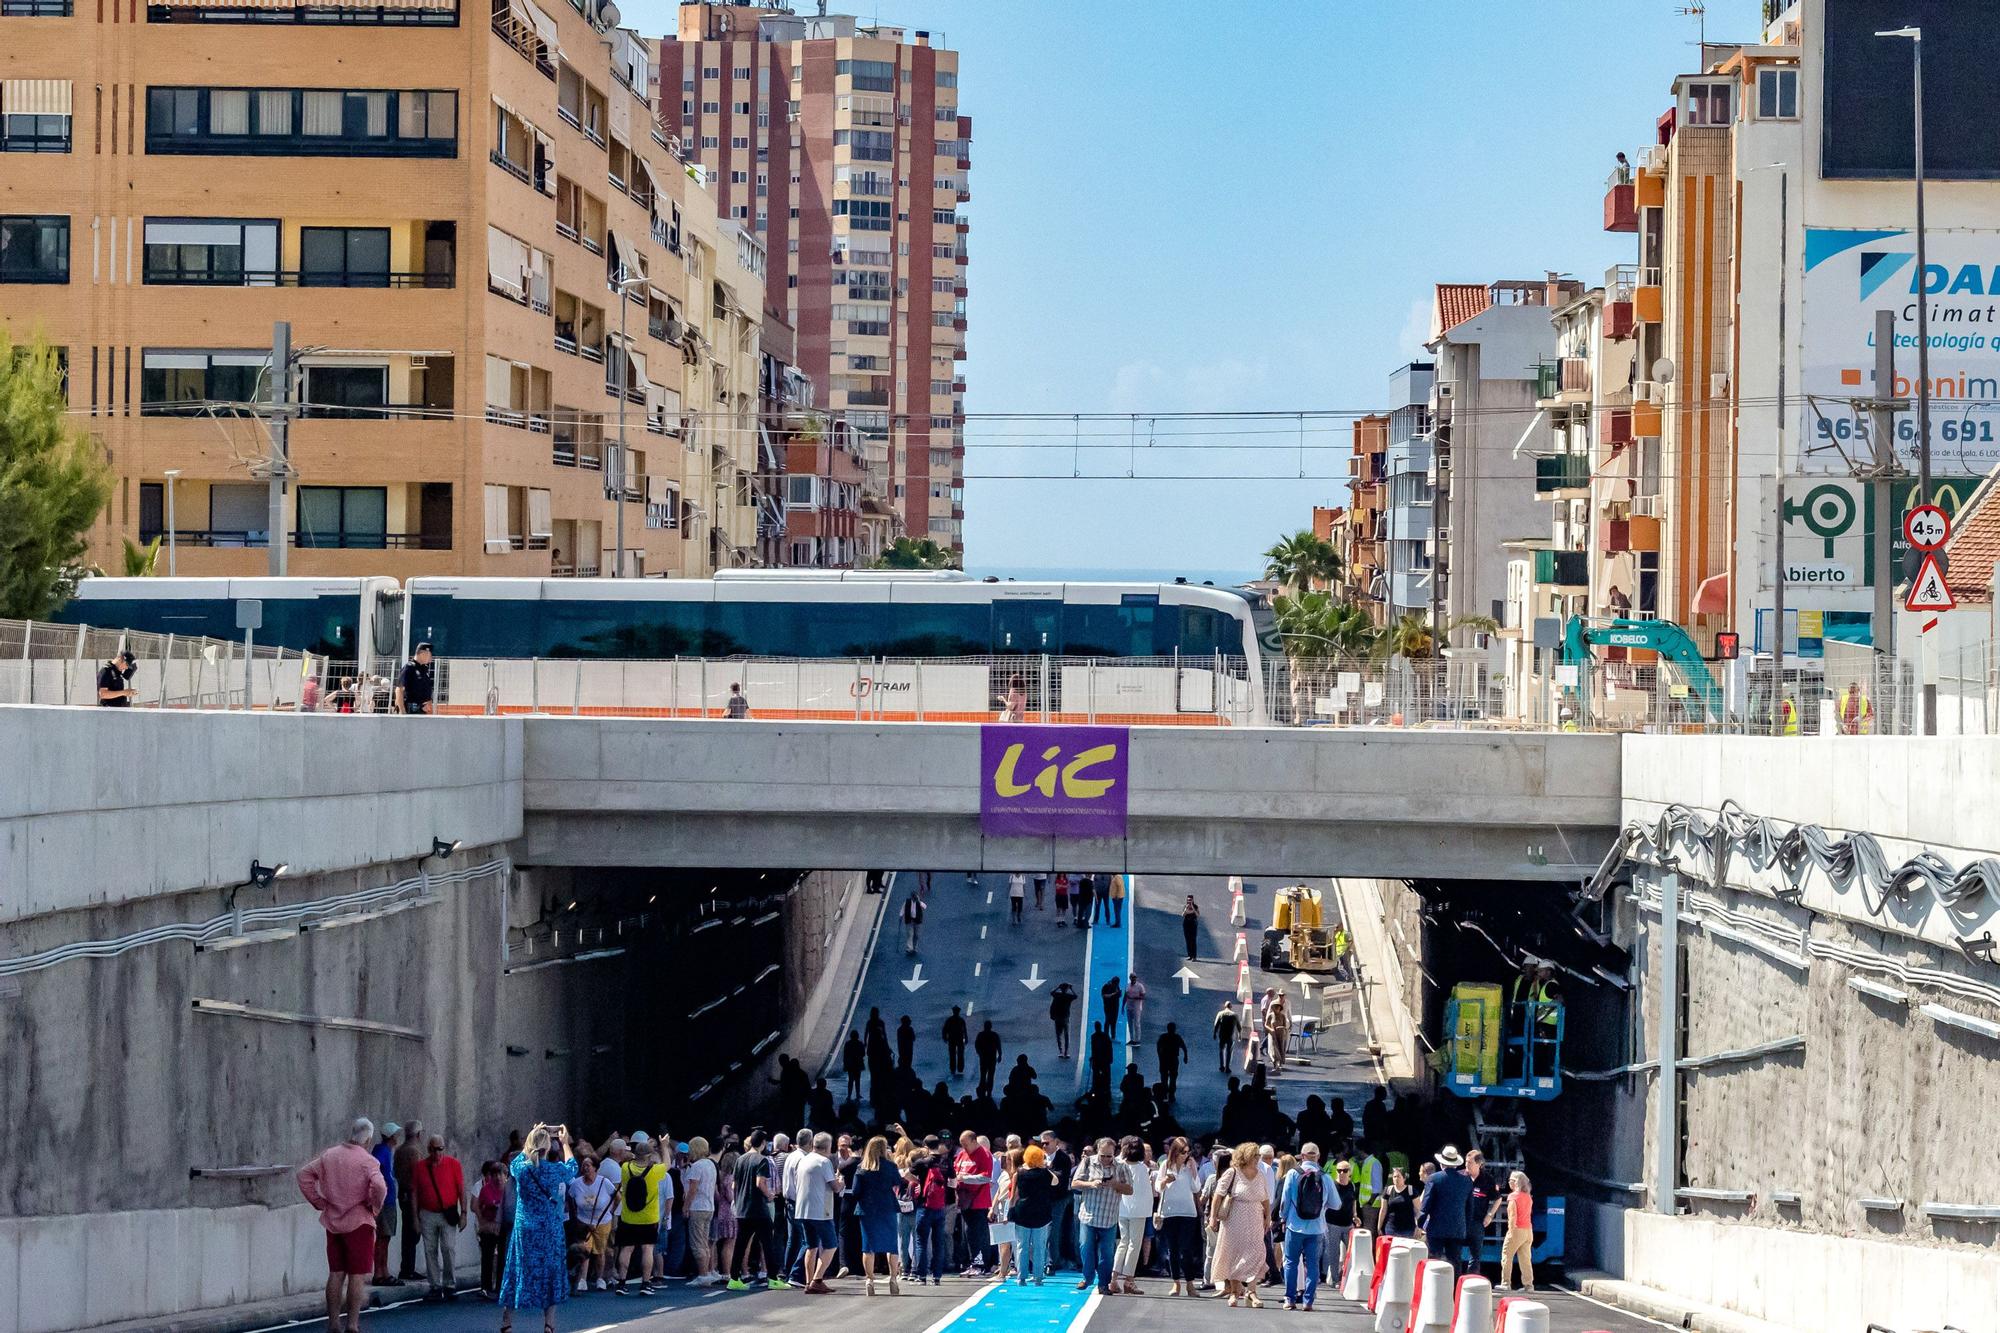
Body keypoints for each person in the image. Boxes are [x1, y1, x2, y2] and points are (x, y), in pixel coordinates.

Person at [299, 1117, 389, 1333]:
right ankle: (352, 1324)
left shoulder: (330, 1155)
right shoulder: (368, 1161)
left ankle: (333, 1323)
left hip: (333, 1222)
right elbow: (379, 1186)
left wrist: (319, 1201)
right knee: (356, 1275)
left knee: (336, 1272)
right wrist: (373, 1205)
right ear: (367, 1139)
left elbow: (303, 1175)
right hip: (359, 1222)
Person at [499, 1124, 578, 1333]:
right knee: (550, 1273)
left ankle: (507, 1322)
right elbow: (572, 1167)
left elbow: (514, 1160)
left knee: (518, 1271)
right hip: (550, 1229)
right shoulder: (553, 1170)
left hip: (524, 1228)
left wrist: (533, 1134)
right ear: (547, 1149)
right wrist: (564, 1142)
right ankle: (549, 1324)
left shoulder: (521, 1169)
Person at [1208, 1141, 1271, 1308]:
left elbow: (1265, 1199)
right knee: (1235, 1254)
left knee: (1256, 1254)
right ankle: (1235, 1292)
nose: (1258, 1158)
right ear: (1246, 1156)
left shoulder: (1260, 1175)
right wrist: (1213, 1217)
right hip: (1235, 1218)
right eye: (1255, 1155)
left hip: (1255, 1218)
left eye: (1258, 1155)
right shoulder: (1232, 1172)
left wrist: (1268, 1217)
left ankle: (1251, 1292)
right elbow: (1218, 1195)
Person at [1070, 1136, 1131, 1296]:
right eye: (1102, 1155)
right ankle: (1087, 1277)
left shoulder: (1121, 1166)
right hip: (1089, 1215)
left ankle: (1103, 1284)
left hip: (1109, 1217)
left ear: (1114, 1154)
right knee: (1085, 1248)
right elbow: (1074, 1183)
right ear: (1098, 1152)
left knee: (1107, 1254)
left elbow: (1130, 1190)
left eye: (1109, 1156)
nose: (1105, 1159)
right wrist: (1091, 1184)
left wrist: (1115, 1184)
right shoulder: (1089, 1162)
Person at [413, 1133, 467, 1301]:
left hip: (447, 1212)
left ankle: (449, 1284)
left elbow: (461, 1190)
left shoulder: (453, 1164)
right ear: (429, 1149)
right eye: (434, 1149)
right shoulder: (420, 1167)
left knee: (448, 1248)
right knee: (430, 1250)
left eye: (440, 1149)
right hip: (427, 1213)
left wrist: (464, 1213)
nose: (437, 1153)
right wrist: (415, 1218)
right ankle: (435, 1285)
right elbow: (414, 1193)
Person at [850, 1135, 905, 1295]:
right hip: (887, 1207)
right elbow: (897, 1182)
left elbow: (855, 1191)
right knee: (892, 1245)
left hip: (867, 1210)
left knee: (868, 1247)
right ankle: (893, 1278)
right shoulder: (890, 1166)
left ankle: (869, 1280)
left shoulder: (862, 1168)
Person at [726, 1130, 779, 1290]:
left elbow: (733, 1185)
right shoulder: (761, 1160)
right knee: (768, 1244)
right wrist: (769, 1195)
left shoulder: (740, 1160)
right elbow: (759, 1183)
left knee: (740, 1245)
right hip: (758, 1209)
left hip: (742, 1209)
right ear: (763, 1143)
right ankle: (773, 1278)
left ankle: (734, 1278)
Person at [1277, 1143, 1327, 1311]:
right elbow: (1336, 1203)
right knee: (1312, 1264)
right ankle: (1308, 1301)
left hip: (1294, 1225)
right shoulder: (1324, 1176)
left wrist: (1282, 1218)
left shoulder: (1293, 1173)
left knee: (1290, 1262)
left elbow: (1284, 1201)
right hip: (1317, 1228)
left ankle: (1290, 1299)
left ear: (1302, 1156)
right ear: (1318, 1157)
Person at [612, 1144, 668, 1294]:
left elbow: (626, 1158)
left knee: (626, 1249)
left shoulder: (625, 1168)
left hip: (628, 1216)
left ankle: (622, 1283)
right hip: (649, 1217)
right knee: (647, 1249)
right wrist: (664, 1146)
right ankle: (645, 1283)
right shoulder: (655, 1171)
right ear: (649, 1156)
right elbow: (667, 1164)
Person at [1152, 1137, 1202, 1297]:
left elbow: (1196, 1188)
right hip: (1169, 1212)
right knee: (1172, 1250)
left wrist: (1194, 1171)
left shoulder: (1189, 1166)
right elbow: (1158, 1188)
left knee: (1186, 1249)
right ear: (1175, 1151)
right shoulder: (1166, 1165)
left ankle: (1190, 1283)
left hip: (1188, 1212)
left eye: (1187, 1152)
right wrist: (1166, 1179)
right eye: (1182, 1152)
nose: (1185, 1155)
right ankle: (1176, 1283)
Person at [794, 1132, 842, 1293]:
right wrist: (841, 1182)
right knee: (831, 1245)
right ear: (828, 1146)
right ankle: (817, 1278)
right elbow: (835, 1187)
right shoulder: (824, 1162)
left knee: (811, 1246)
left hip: (802, 1209)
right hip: (820, 1210)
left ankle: (809, 1281)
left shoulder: (803, 1160)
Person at [1418, 1146, 1474, 1276]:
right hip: (1457, 1228)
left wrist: (1419, 1224)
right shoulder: (1466, 1182)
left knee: (1434, 1261)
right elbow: (1470, 1208)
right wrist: (1466, 1226)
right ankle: (1455, 1292)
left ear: (1442, 1163)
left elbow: (1425, 1206)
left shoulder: (1434, 1179)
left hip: (1436, 1228)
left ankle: (1433, 1291)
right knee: (1455, 1261)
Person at [565, 1155, 617, 1292]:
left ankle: (600, 1278)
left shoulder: (604, 1182)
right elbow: (570, 1199)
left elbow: (616, 1196)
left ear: (595, 1168)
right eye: (584, 1165)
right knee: (584, 1250)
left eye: (588, 1165)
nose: (585, 1168)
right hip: (583, 1222)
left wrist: (611, 1211)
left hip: (602, 1221)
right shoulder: (576, 1184)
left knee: (600, 1251)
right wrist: (575, 1216)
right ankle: (582, 1279)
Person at [1111, 1137, 1152, 1295]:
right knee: (1134, 1245)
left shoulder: (1119, 1165)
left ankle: (1113, 1279)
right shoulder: (1142, 1168)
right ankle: (1129, 1280)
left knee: (1123, 1243)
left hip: (1122, 1208)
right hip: (1139, 1211)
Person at [953, 1129, 995, 1276]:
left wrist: (966, 1178)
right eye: (961, 1144)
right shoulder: (962, 1154)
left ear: (973, 1141)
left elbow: (986, 1177)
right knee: (967, 1233)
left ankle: (981, 1263)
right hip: (964, 1200)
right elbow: (955, 1170)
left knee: (978, 1232)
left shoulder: (984, 1154)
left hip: (978, 1200)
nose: (963, 1147)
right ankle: (972, 1262)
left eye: (965, 1144)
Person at [908, 1144, 951, 1286]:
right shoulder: (945, 1162)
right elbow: (954, 1183)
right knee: (938, 1242)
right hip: (940, 1206)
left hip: (924, 1206)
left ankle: (921, 1276)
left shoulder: (922, 1162)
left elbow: (905, 1173)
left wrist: (918, 1182)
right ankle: (937, 1276)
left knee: (921, 1242)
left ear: (926, 1146)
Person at [367, 1122, 404, 1287]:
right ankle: (381, 1272)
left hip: (387, 1199)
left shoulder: (385, 1151)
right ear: (391, 1137)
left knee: (384, 1237)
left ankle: (382, 1271)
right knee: (383, 1237)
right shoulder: (382, 1152)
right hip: (385, 1200)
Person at [684, 1137, 722, 1286]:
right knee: (705, 1242)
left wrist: (685, 1206)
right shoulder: (711, 1165)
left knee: (697, 1242)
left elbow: (692, 1189)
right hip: (709, 1206)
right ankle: (706, 1272)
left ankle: (702, 1274)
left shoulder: (697, 1166)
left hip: (697, 1206)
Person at [1489, 1170, 1535, 1292]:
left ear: (1515, 1183)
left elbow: (1512, 1215)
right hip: (1528, 1230)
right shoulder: (1528, 1197)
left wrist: (1511, 1231)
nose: (1509, 1183)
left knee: (1506, 1255)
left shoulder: (1513, 1197)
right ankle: (1528, 1285)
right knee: (1525, 1258)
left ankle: (1506, 1283)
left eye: (1510, 1181)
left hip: (1517, 1229)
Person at [474, 1160, 512, 1298]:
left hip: (503, 1227)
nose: (497, 1178)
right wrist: (482, 1222)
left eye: (500, 1174)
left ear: (505, 1175)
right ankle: (486, 1287)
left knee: (502, 1257)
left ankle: (500, 1287)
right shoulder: (486, 1189)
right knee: (487, 1257)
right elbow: (478, 1206)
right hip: (489, 1227)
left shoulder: (509, 1189)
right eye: (494, 1174)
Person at [393, 1119, 425, 1280]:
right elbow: (418, 1175)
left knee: (407, 1232)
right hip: (412, 1194)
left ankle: (407, 1267)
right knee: (413, 1231)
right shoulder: (414, 1152)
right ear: (418, 1134)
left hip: (402, 1193)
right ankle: (408, 1268)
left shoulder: (399, 1150)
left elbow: (396, 1172)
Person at [1324, 1157, 1357, 1284]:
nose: (1341, 1173)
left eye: (1345, 1170)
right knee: (1333, 1253)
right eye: (1339, 1170)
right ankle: (1334, 1280)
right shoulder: (1332, 1185)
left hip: (1348, 1224)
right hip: (1333, 1223)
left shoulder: (1352, 1186)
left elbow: (1353, 1201)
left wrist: (1355, 1216)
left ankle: (1347, 1277)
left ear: (1350, 1172)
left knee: (1352, 1251)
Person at [988, 1148, 1019, 1281]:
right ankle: (1003, 1270)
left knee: (1010, 1242)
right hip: (1001, 1205)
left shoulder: (1017, 1175)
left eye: (1008, 1159)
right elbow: (998, 1192)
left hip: (1010, 1206)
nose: (1004, 1161)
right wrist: (992, 1208)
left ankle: (1006, 1272)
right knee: (1002, 1241)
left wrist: (1008, 1212)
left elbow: (1014, 1195)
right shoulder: (1003, 1174)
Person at [393, 642, 435, 715]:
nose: (431, 659)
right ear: (423, 653)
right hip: (410, 710)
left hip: (422, 710)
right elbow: (399, 689)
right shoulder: (409, 667)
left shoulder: (424, 669)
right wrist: (402, 711)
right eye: (430, 656)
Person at [1376, 1165, 1417, 1238]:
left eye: (1399, 1176)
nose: (1396, 1179)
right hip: (1391, 1229)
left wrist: (1419, 1227)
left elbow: (1418, 1210)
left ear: (1404, 1178)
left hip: (1408, 1230)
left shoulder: (1411, 1190)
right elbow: (1383, 1210)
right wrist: (1379, 1226)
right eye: (1394, 1177)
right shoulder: (1388, 1190)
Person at [1156, 1022, 1187, 1101]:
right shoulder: (1177, 1037)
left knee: (1164, 1077)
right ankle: (1171, 1094)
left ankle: (1165, 1093)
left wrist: (1160, 1057)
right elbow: (1183, 1047)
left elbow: (1158, 1047)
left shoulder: (1163, 1037)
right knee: (1173, 1077)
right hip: (1173, 1059)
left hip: (1164, 1059)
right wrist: (1185, 1056)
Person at [974, 1020, 1003, 1098]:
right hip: (992, 1058)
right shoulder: (994, 1035)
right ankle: (989, 1092)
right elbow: (998, 1046)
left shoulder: (981, 1035)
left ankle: (982, 1091)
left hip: (983, 1058)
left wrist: (979, 1053)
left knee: (983, 1075)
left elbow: (977, 1045)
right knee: (990, 1076)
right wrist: (1000, 1055)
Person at [1049, 983, 1077, 1059]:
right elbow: (1075, 996)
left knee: (1058, 1035)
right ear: (1067, 989)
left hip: (1057, 1017)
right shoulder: (1068, 996)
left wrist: (1058, 987)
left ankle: (1060, 1051)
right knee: (1066, 1035)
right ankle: (1066, 1052)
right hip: (1065, 1017)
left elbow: (1051, 992)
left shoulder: (1057, 995)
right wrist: (1071, 988)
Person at [1212, 999, 1240, 1073]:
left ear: (1224, 1006)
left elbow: (1216, 1024)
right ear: (1231, 1007)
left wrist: (1214, 1033)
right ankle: (1227, 1067)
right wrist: (1239, 1035)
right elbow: (1239, 1026)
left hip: (1222, 1035)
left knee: (1221, 1050)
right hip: (1230, 1035)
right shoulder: (1234, 1015)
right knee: (1229, 1051)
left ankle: (1221, 1066)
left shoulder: (1220, 1013)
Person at [942, 1006, 969, 1078]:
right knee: (957, 1054)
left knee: (954, 1054)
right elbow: (964, 1030)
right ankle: (958, 1068)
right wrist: (966, 1038)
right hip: (956, 1039)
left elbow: (945, 1029)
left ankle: (954, 1068)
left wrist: (944, 1037)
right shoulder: (959, 1020)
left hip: (954, 1039)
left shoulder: (950, 1020)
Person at [1123, 974, 1147, 1046]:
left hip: (1137, 1008)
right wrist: (1123, 1006)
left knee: (1137, 1023)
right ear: (1130, 978)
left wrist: (1134, 997)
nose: (1133, 979)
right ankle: (1132, 1039)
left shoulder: (1140, 986)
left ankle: (1138, 1040)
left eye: (1134, 977)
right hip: (1129, 1007)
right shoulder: (1127, 986)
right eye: (1132, 977)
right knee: (1130, 1024)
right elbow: (1125, 996)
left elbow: (1143, 996)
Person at [842, 1031, 866, 1102]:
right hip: (858, 1064)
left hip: (850, 1064)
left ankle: (849, 1095)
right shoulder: (860, 1043)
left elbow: (845, 1055)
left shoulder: (848, 1044)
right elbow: (863, 1053)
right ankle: (857, 1094)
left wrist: (845, 1064)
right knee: (857, 1080)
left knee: (851, 1080)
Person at [901, 891, 925, 956]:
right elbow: (903, 908)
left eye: (915, 897)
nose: (914, 899)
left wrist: (919, 901)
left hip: (917, 921)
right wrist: (901, 915)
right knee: (910, 934)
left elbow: (924, 907)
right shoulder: (907, 901)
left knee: (916, 935)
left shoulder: (919, 902)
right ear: (911, 897)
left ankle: (914, 948)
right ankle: (909, 948)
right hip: (909, 920)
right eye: (913, 897)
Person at [1099, 974, 1122, 1039]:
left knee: (1114, 1022)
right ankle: (1106, 1035)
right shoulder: (1106, 986)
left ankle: (1113, 1036)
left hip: (1115, 1007)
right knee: (1107, 1020)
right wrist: (1113, 994)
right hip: (1108, 1006)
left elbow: (1119, 996)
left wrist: (1119, 994)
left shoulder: (1117, 987)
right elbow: (1103, 995)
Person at [1181, 895, 1201, 960]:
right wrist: (1186, 910)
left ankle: (1194, 956)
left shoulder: (1195, 907)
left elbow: (1198, 915)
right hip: (1186, 924)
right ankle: (1190, 955)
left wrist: (1193, 908)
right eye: (1188, 900)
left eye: (1190, 900)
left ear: (1193, 900)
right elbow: (1183, 915)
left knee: (1193, 940)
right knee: (1188, 940)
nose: (1189, 901)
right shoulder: (1185, 906)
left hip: (1193, 924)